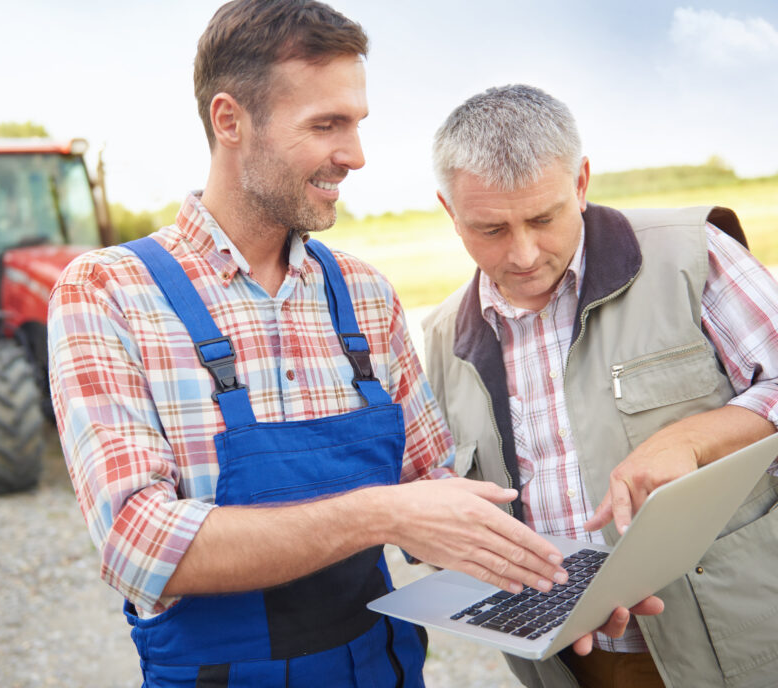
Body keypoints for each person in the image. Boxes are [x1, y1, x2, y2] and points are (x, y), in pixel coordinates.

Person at [46, 4, 639, 686]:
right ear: (231, 121)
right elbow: (140, 546)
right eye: (326, 125)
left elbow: (435, 499)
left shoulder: (363, 293)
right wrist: (379, 513)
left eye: (356, 124)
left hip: (380, 669)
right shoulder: (109, 292)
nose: (355, 155)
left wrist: (564, 584)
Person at [423, 83, 778, 688]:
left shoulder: (689, 254)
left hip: (739, 649)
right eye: (490, 229)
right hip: (571, 663)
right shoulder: (437, 338)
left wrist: (696, 438)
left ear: (581, 181)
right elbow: (439, 498)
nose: (525, 253)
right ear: (449, 211)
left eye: (543, 217)